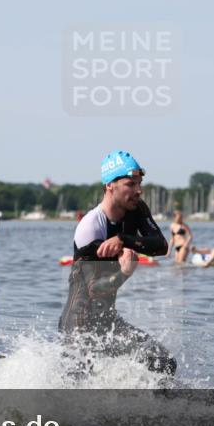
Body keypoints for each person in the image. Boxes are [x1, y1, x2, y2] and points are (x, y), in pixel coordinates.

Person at [58, 150, 175, 375]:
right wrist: (125, 272)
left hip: (107, 320)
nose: (138, 191)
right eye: (130, 184)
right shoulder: (90, 226)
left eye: (139, 183)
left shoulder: (136, 208)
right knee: (78, 393)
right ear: (110, 185)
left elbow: (160, 246)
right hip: (79, 324)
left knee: (163, 362)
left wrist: (123, 239)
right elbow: (94, 288)